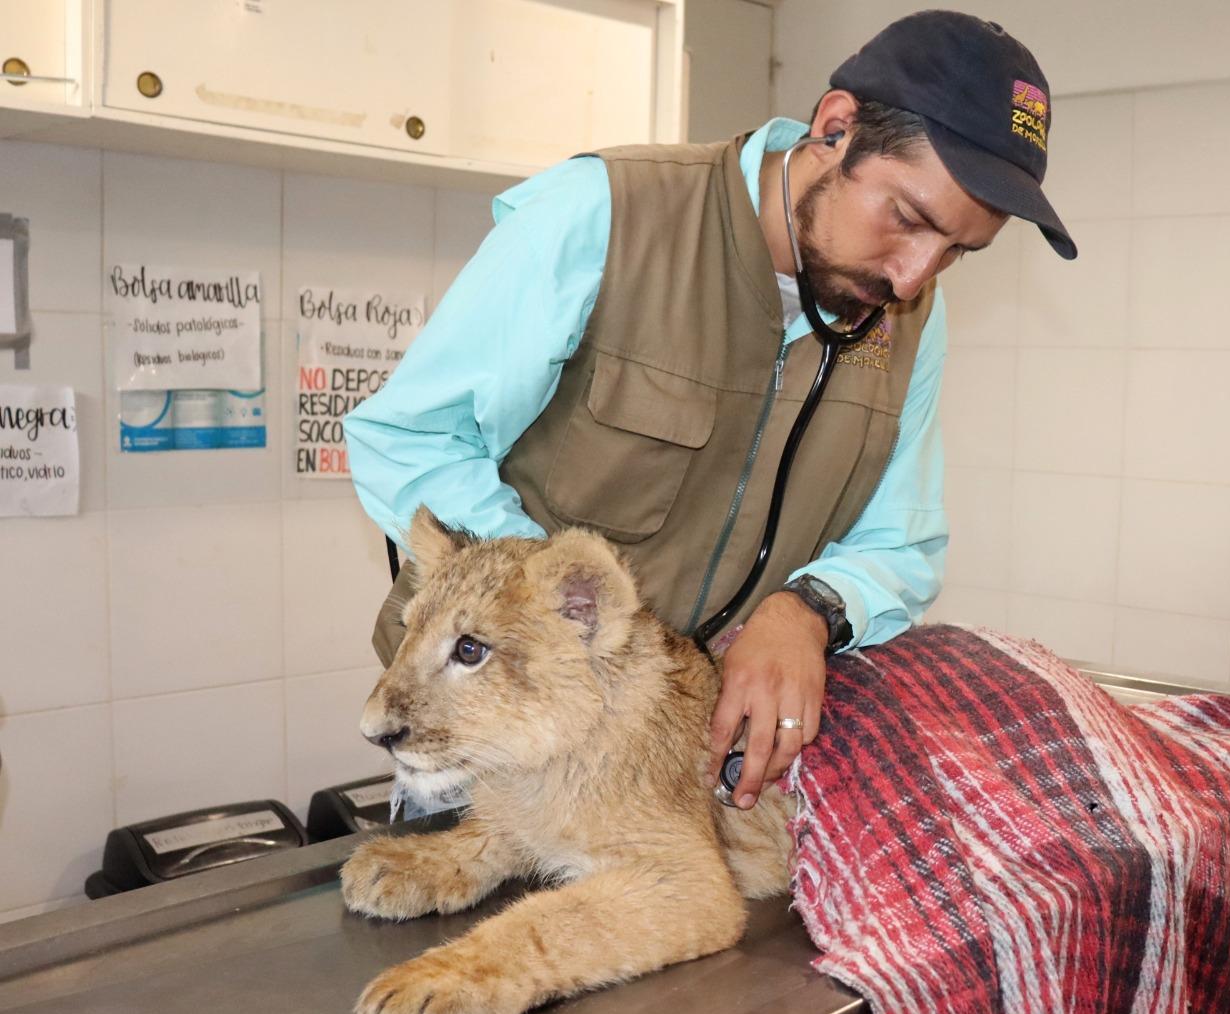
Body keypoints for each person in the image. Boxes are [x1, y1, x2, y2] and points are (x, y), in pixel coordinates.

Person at [345, 9, 1077, 812]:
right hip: (492, 739)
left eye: (957, 252)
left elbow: (901, 542)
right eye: (908, 219)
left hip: (685, 755)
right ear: (836, 128)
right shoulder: (607, 213)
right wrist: (548, 607)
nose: (913, 277)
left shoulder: (911, 315)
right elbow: (409, 437)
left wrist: (808, 611)